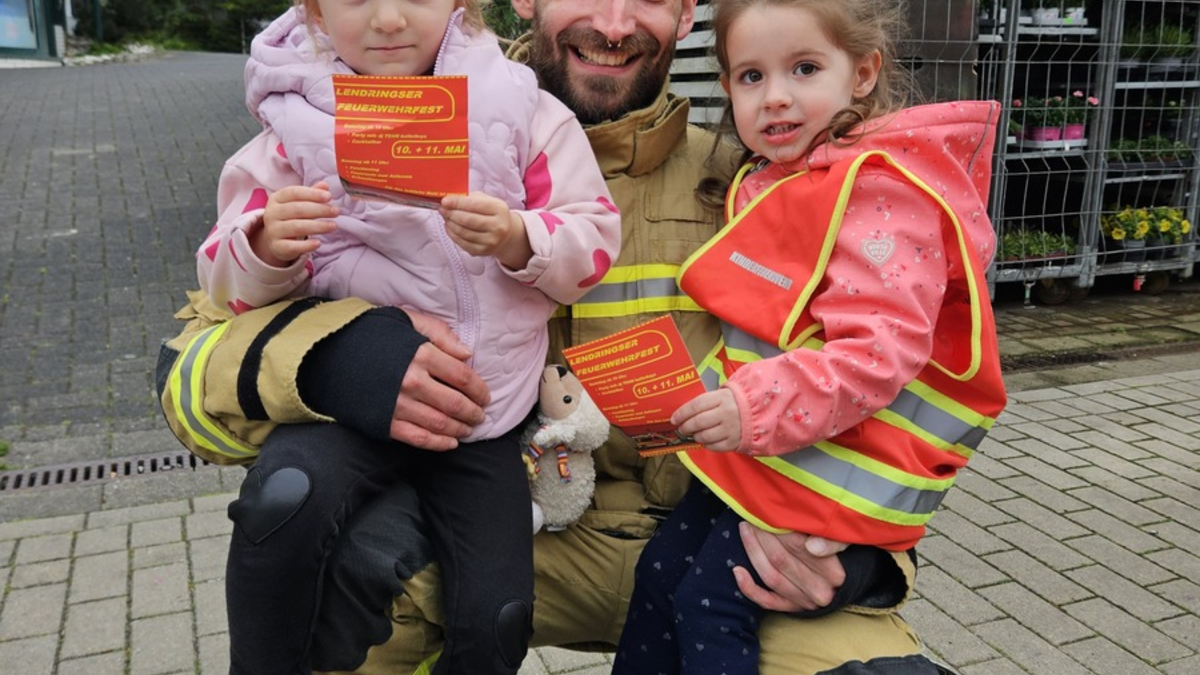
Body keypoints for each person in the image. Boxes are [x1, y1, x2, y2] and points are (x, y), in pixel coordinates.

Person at [156, 1, 962, 673]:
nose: (613, 21)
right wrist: (337, 355)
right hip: (503, 532)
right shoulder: (352, 122)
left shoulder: (776, 183)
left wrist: (864, 560)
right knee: (338, 602)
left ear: (687, 12)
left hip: (720, 544)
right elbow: (184, 373)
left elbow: (902, 380)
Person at [192, 0, 621, 673]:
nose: (389, 19)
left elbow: (594, 244)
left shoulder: (523, 110)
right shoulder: (291, 126)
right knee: (283, 498)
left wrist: (518, 237)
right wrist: (265, 243)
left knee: (501, 615)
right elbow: (225, 288)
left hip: (482, 414)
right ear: (315, 11)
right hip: (349, 409)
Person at [610, 0, 1006, 673]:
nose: (777, 97)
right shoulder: (787, 179)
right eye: (751, 77)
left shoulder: (877, 191)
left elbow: (880, 352)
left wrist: (752, 404)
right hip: (770, 459)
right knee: (659, 577)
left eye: (804, 67)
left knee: (710, 601)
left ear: (863, 72)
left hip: (817, 473)